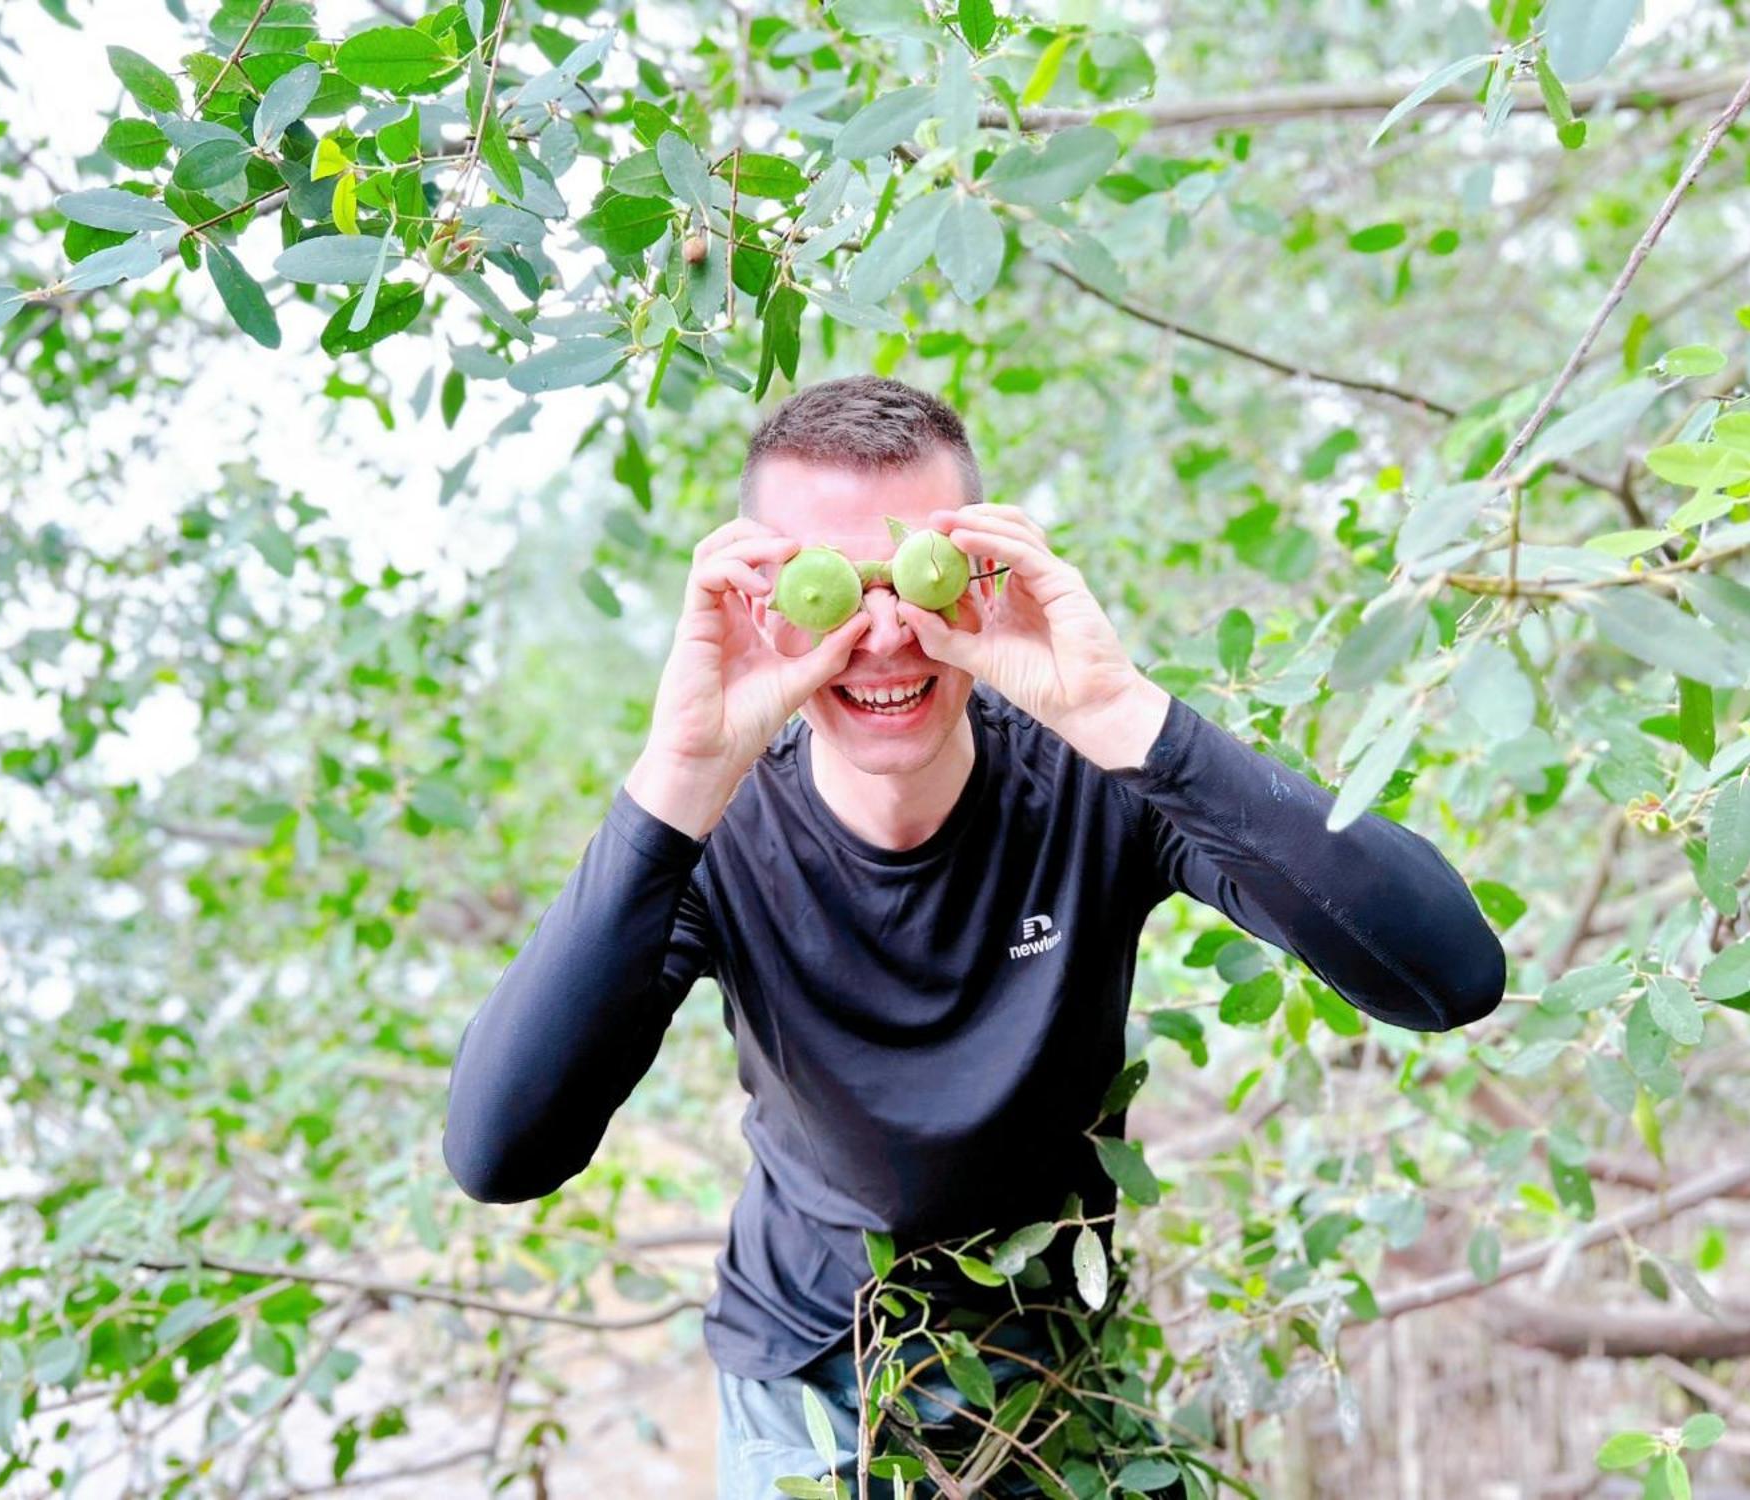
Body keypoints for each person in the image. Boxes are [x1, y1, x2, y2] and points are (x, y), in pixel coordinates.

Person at [442, 374, 1506, 1497]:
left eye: (914, 576)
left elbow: (1447, 975)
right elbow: (499, 1154)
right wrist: (674, 781)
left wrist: (1119, 713)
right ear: (759, 600)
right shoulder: (715, 830)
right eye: (831, 590)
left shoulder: (1096, 780)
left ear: (983, 570)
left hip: (1053, 1377)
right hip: (804, 1381)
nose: (887, 635)